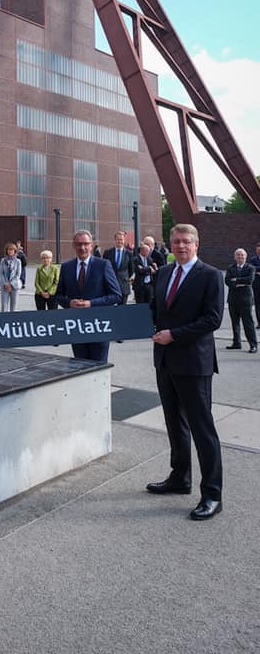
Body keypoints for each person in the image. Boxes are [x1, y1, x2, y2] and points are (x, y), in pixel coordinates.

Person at [147, 223, 225, 521]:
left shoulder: (210, 275)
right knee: (174, 424)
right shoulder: (165, 272)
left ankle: (212, 495)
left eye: (186, 242)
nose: (180, 246)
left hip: (194, 363)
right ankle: (180, 478)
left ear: (196, 244)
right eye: (176, 241)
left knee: (203, 430)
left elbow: (213, 319)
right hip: (165, 361)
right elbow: (156, 309)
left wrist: (174, 335)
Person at [54, 230, 122, 362]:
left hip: (99, 326)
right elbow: (58, 295)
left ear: (91, 245)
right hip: (76, 326)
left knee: (98, 368)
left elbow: (116, 295)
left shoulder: (103, 265)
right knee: (80, 367)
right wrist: (69, 303)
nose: (82, 247)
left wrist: (91, 303)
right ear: (73, 246)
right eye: (79, 244)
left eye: (86, 244)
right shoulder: (67, 267)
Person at [224, 248, 257, 352]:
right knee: (235, 323)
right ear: (234, 257)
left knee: (248, 324)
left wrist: (236, 280)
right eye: (238, 255)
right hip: (233, 300)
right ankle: (236, 343)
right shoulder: (230, 268)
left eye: (242, 255)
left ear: (246, 257)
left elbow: (250, 280)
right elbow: (227, 281)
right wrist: (240, 283)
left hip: (245, 300)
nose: (240, 257)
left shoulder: (250, 268)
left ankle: (253, 345)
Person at [103, 231, 135, 305]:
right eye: (118, 239)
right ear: (115, 240)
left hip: (123, 286)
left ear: (124, 240)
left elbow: (131, 270)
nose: (119, 241)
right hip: (110, 286)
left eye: (121, 240)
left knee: (122, 310)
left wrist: (124, 277)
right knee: (109, 309)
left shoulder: (129, 254)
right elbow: (104, 268)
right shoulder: (107, 252)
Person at [0, 242, 22, 312]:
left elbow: (18, 274)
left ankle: (12, 320)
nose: (10, 251)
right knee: (4, 306)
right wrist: (6, 284)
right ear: (6, 251)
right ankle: (3, 320)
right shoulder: (3, 260)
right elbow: (1, 273)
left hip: (15, 285)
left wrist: (11, 284)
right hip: (4, 285)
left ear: (15, 251)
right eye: (9, 250)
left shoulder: (18, 261)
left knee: (13, 306)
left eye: (12, 250)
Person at [248, 241, 260, 328]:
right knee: (258, 304)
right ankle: (259, 322)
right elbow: (252, 268)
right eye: (258, 250)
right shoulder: (253, 259)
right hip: (257, 285)